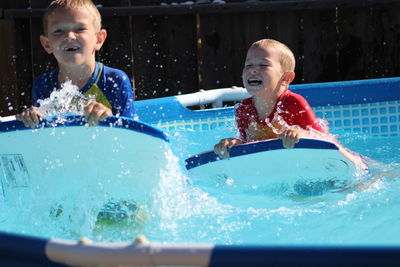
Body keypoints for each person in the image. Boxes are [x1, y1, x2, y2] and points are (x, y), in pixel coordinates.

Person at [214, 39, 366, 169]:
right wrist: (234, 143)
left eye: (263, 65)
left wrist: (301, 134)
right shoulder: (243, 109)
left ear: (285, 78)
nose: (253, 70)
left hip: (311, 163)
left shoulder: (294, 103)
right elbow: (249, 144)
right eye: (249, 65)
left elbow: (324, 139)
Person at [17, 0, 135, 127]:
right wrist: (32, 117)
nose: (69, 36)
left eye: (80, 29)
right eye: (58, 31)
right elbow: (43, 137)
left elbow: (131, 136)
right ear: (47, 44)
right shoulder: (43, 85)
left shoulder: (114, 81)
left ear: (99, 39)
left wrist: (109, 118)